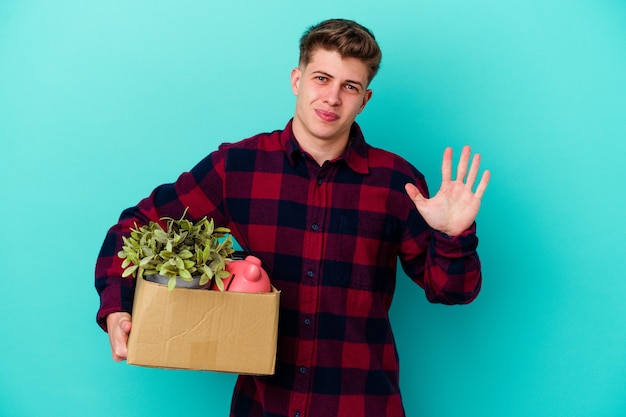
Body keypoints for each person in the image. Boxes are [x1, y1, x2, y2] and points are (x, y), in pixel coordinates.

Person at [95, 18, 490, 417]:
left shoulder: (397, 183)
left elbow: (451, 291)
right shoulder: (238, 167)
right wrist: (117, 305)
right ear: (296, 80)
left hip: (362, 405)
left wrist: (453, 235)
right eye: (322, 78)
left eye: (349, 87)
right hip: (264, 406)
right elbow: (138, 224)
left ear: (365, 99)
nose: (333, 98)